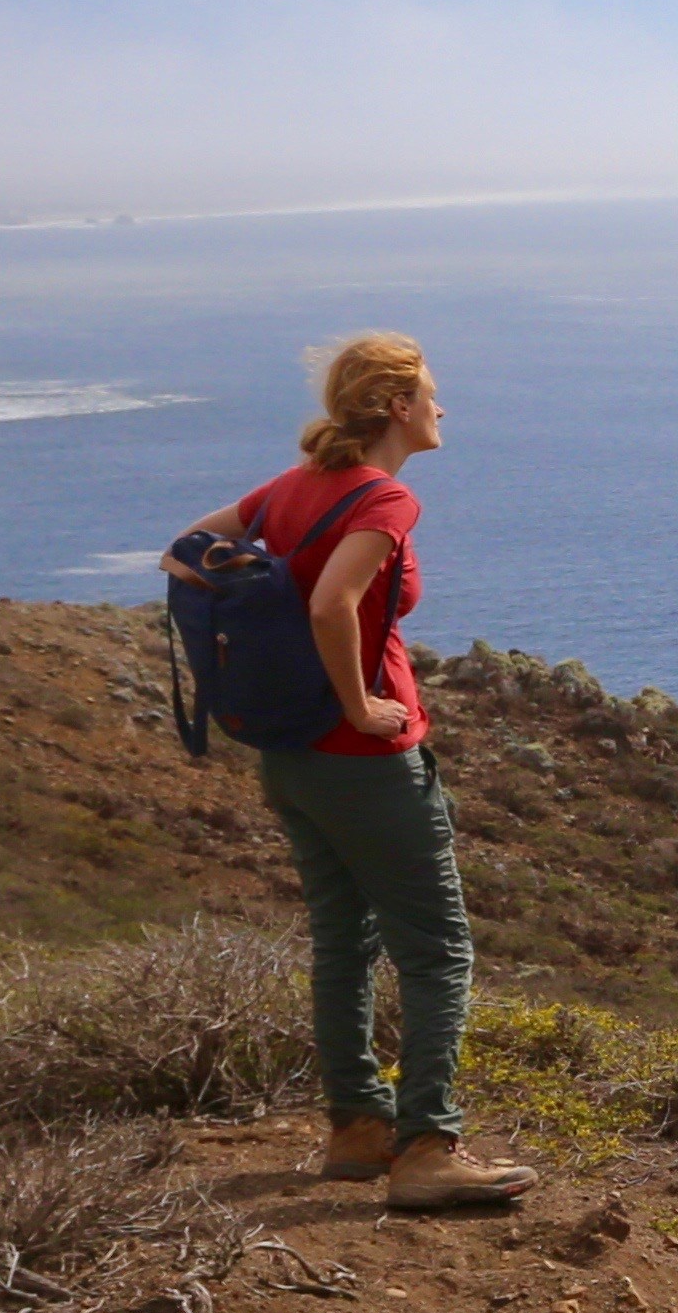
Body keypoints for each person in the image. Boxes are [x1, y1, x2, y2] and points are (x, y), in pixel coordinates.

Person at [181, 332, 537, 1213]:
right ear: (396, 409)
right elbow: (331, 602)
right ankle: (427, 1147)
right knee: (439, 951)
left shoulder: (292, 488)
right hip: (364, 761)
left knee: (344, 941)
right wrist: (354, 702)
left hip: (290, 760)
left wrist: (253, 587)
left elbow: (184, 550)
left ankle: (356, 1130)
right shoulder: (385, 500)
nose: (442, 408)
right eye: (431, 394)